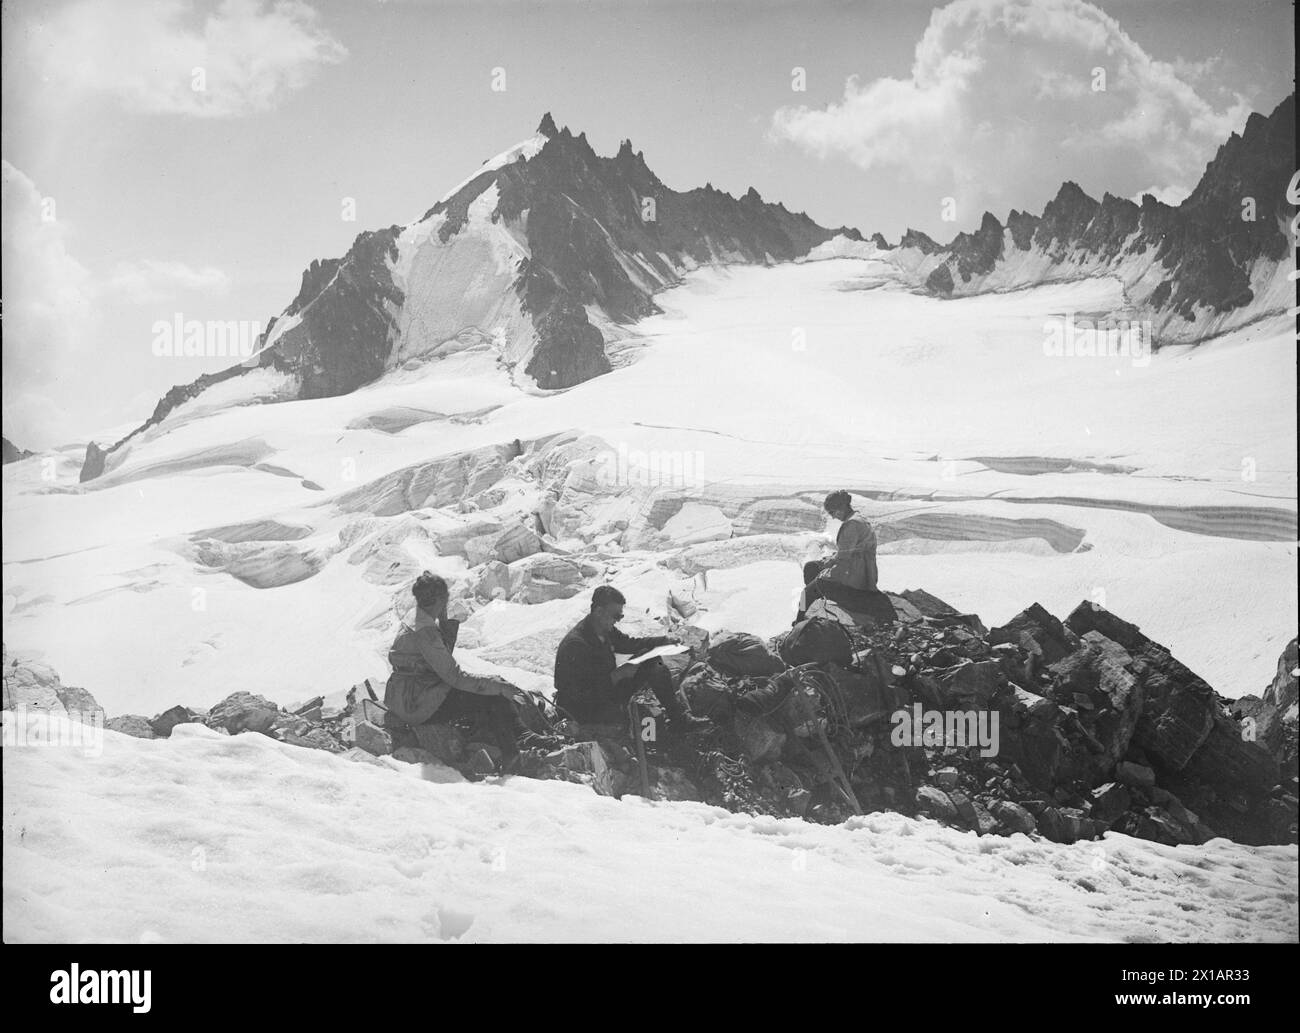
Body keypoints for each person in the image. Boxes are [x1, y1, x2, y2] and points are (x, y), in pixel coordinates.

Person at [385, 572, 527, 768]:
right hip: (418, 703)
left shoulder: (416, 617)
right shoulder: (426, 631)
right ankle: (512, 756)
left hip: (408, 695)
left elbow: (440, 661)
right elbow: (454, 677)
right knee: (495, 696)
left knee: (489, 687)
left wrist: (443, 621)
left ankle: (517, 738)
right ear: (441, 599)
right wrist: (497, 687)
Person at [554, 586, 708, 732]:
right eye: (615, 616)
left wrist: (664, 640)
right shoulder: (576, 645)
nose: (617, 620)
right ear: (599, 611)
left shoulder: (604, 629)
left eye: (620, 616)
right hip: (583, 710)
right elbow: (577, 694)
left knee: (652, 659)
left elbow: (630, 644)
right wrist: (617, 676)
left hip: (605, 693)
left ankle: (678, 719)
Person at [796, 490, 883, 621]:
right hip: (859, 571)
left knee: (805, 593)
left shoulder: (851, 525)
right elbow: (846, 553)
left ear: (840, 508)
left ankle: (800, 621)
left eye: (832, 512)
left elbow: (844, 562)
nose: (832, 517)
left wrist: (825, 575)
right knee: (811, 566)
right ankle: (818, 606)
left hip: (855, 578)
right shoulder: (857, 519)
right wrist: (828, 561)